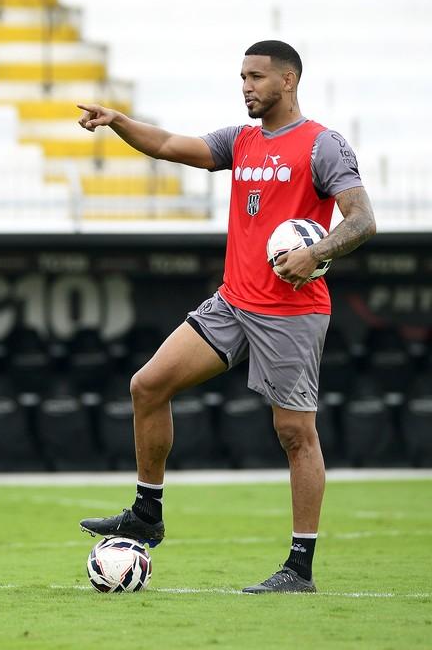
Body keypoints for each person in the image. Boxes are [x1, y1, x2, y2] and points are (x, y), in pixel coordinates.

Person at [75, 40, 376, 593]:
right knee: (148, 385)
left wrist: (318, 253)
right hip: (234, 303)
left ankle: (299, 568)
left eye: (256, 77)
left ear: (288, 81)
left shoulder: (323, 145)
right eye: (242, 77)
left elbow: (362, 221)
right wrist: (119, 121)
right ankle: (147, 513)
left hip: (292, 311)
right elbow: (168, 144)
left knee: (294, 433)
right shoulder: (242, 141)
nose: (246, 86)